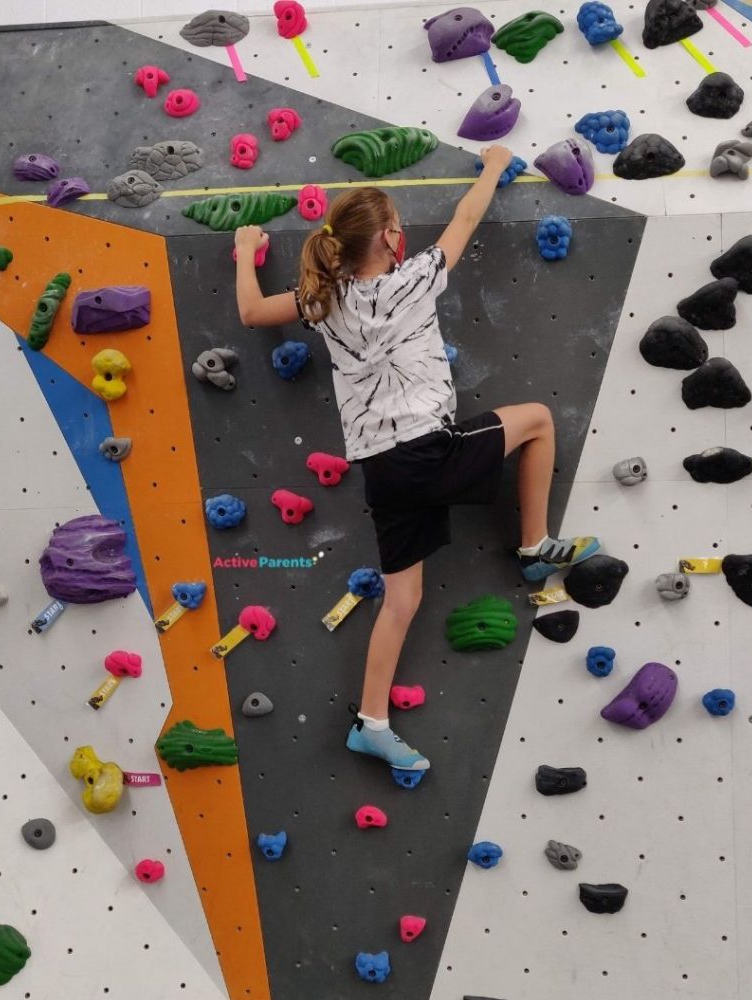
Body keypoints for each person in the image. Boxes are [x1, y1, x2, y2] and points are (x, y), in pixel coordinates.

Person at [234, 145, 599, 774]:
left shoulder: (324, 299)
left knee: (402, 601)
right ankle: (535, 548)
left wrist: (244, 254)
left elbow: (250, 312)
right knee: (537, 420)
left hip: (384, 473)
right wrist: (490, 169)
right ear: (388, 239)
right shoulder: (414, 277)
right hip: (431, 452)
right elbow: (465, 220)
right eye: (397, 226)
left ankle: (370, 723)